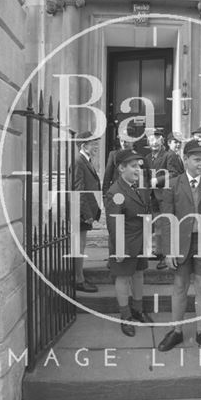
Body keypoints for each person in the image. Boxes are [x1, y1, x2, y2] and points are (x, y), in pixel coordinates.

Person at [158, 139, 201, 355]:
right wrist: (167, 250)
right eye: (197, 160)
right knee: (180, 286)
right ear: (185, 159)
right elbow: (166, 219)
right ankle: (176, 330)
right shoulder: (172, 184)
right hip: (181, 243)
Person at [105, 149, 153, 336]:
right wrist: (119, 249)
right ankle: (125, 316)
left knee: (139, 274)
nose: (137, 170)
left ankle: (138, 310)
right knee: (123, 278)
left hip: (141, 240)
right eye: (133, 166)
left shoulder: (138, 186)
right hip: (125, 242)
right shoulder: (115, 192)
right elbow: (113, 222)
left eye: (139, 166)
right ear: (121, 168)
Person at [73, 131, 101, 293]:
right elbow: (78, 190)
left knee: (81, 245)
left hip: (84, 209)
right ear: (84, 146)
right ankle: (78, 279)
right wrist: (86, 214)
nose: (97, 146)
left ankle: (79, 275)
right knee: (79, 246)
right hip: (80, 211)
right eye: (93, 144)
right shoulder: (78, 161)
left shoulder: (85, 160)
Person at [145, 130, 170, 270]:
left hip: (164, 195)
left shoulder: (168, 156)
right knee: (156, 226)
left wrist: (157, 180)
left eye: (157, 140)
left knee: (165, 226)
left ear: (162, 141)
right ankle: (158, 251)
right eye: (151, 140)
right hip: (151, 196)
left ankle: (165, 257)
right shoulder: (147, 158)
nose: (154, 143)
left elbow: (174, 174)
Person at [102, 131, 135, 196]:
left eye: (126, 141)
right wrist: (105, 194)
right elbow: (107, 176)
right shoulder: (113, 155)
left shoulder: (138, 156)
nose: (123, 143)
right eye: (121, 141)